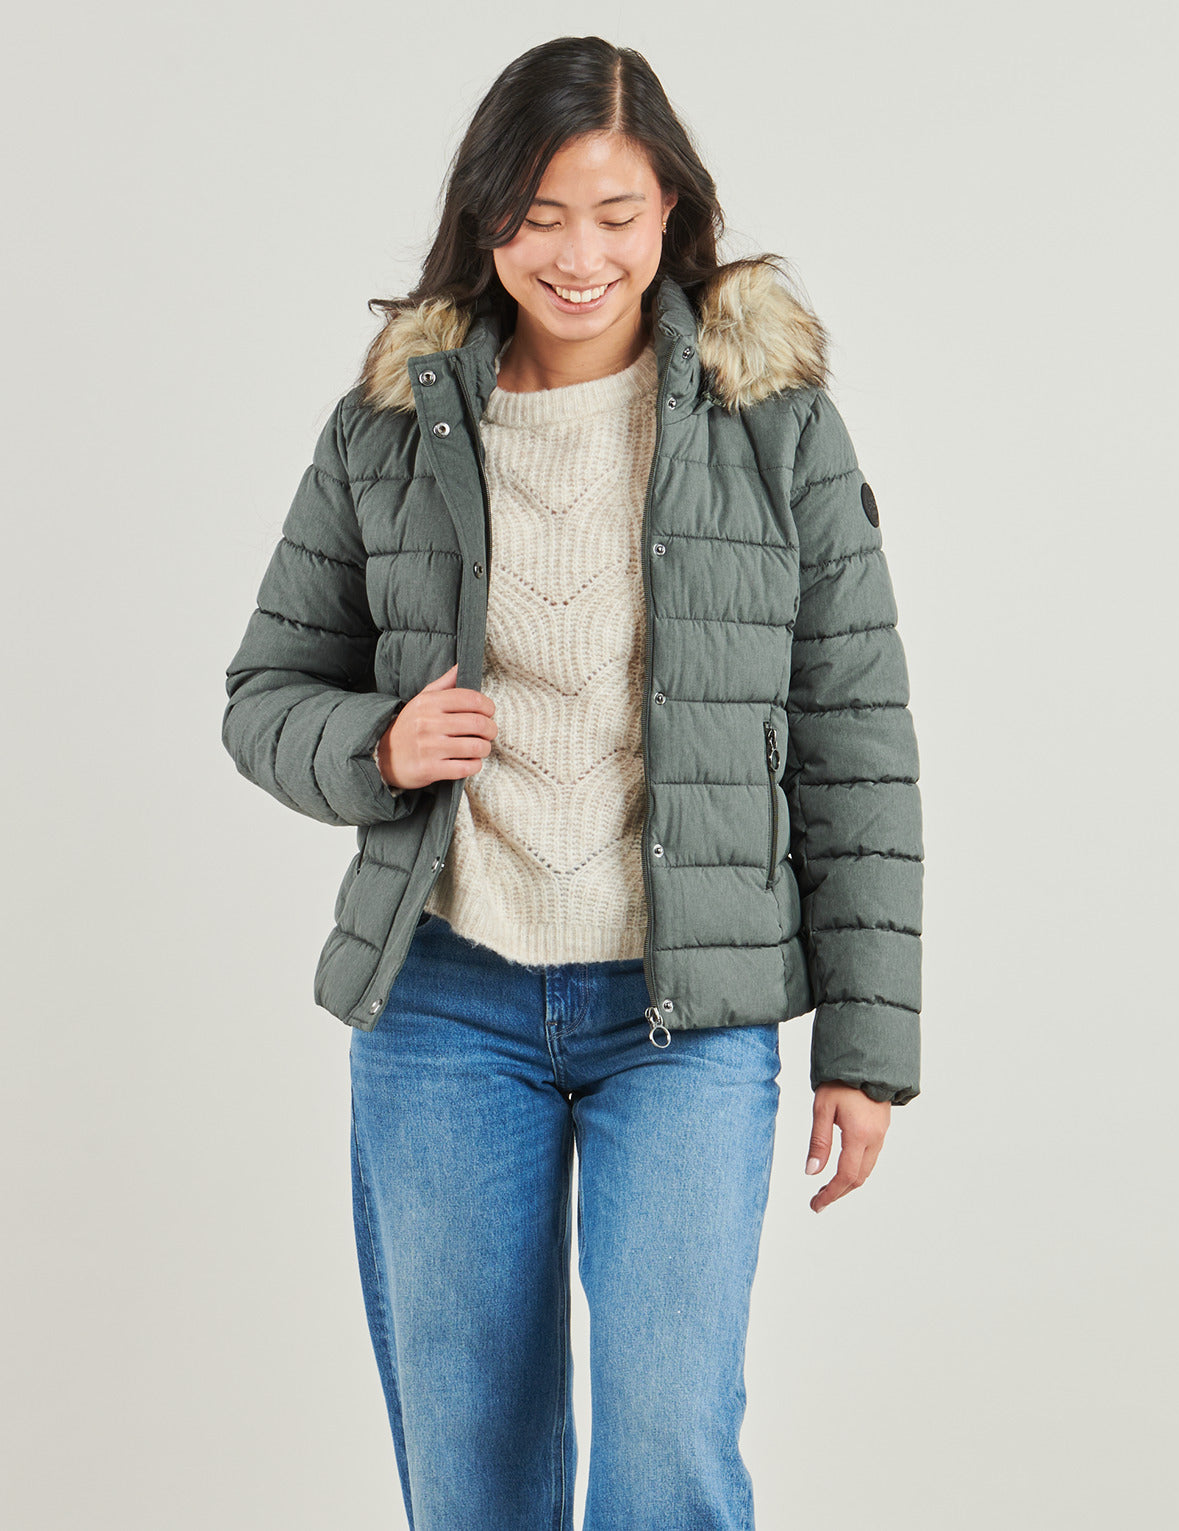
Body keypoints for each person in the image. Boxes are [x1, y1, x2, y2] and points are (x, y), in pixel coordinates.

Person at [221, 34, 923, 1531]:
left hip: (685, 1018)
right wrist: (377, 745)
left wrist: (867, 1043)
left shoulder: (773, 423)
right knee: (472, 1469)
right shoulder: (391, 426)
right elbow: (263, 693)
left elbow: (856, 732)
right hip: (444, 1004)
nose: (579, 256)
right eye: (538, 216)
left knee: (667, 1451)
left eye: (616, 213)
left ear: (673, 213)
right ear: (486, 220)